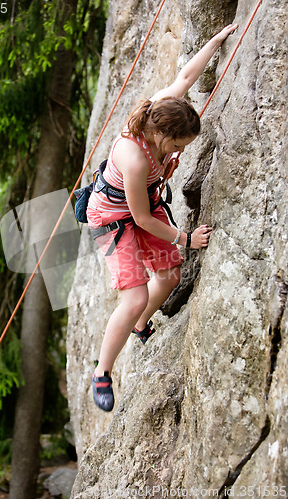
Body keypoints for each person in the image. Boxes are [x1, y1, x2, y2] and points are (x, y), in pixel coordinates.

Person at [88, 24, 238, 412]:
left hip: (142, 206)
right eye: (178, 145)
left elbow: (185, 76)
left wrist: (217, 41)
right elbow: (141, 219)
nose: (180, 150)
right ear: (161, 136)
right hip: (113, 216)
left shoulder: (161, 109)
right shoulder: (135, 157)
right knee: (134, 297)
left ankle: (141, 326)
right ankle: (102, 372)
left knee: (170, 276)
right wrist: (186, 239)